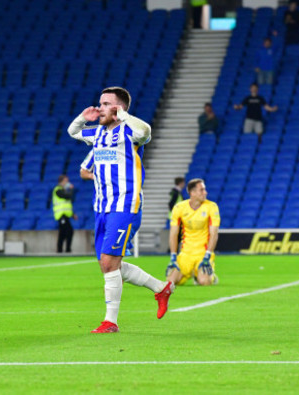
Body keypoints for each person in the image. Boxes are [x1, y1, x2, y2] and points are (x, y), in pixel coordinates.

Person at [67, 86, 174, 333]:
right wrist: (85, 117)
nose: (100, 107)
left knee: (108, 262)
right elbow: (73, 132)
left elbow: (146, 131)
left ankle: (110, 322)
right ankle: (161, 288)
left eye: (105, 104)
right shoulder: (98, 134)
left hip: (125, 204)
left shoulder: (130, 132)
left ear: (119, 108)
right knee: (108, 265)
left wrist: (123, 115)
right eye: (100, 102)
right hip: (101, 207)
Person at [166, 179, 220, 286]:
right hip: (186, 254)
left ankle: (210, 276)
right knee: (170, 282)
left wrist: (208, 255)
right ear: (192, 193)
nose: (205, 192)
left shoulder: (211, 207)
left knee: (204, 282)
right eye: (202, 190)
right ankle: (191, 273)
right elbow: (173, 234)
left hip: (203, 254)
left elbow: (214, 234)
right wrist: (173, 256)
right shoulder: (179, 208)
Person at [53, 175, 76, 253]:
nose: (67, 183)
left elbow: (67, 204)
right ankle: (66, 250)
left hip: (66, 215)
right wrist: (72, 189)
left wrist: (73, 215)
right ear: (61, 181)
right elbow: (67, 197)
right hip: (61, 215)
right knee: (67, 231)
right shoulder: (57, 190)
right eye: (66, 181)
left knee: (64, 232)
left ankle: (62, 250)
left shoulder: (64, 190)